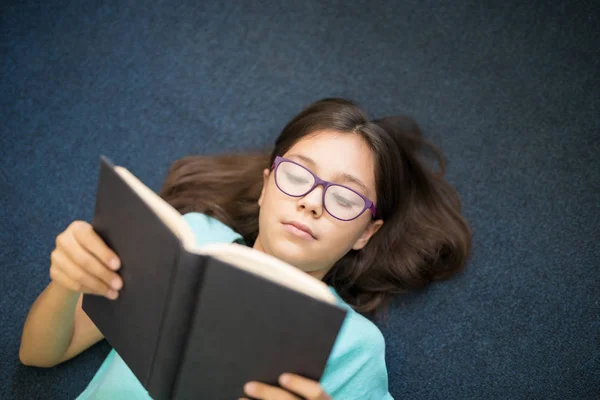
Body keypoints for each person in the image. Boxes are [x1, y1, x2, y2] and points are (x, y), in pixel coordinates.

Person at [19, 98, 471, 399]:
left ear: (365, 234)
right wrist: (65, 285)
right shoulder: (190, 237)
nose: (312, 202)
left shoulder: (355, 345)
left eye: (345, 198)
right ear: (265, 186)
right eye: (297, 174)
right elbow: (38, 354)